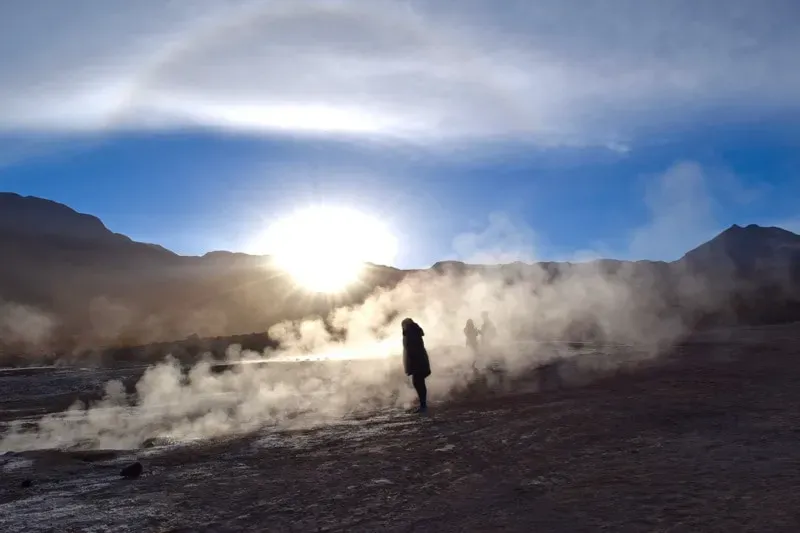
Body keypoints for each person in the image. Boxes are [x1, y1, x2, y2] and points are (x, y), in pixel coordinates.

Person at [401, 317, 431, 414]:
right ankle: (422, 403)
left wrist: (411, 365)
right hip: (419, 361)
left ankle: (423, 405)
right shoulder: (414, 332)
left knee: (418, 382)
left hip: (418, 362)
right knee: (418, 382)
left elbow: (411, 350)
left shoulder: (410, 334)